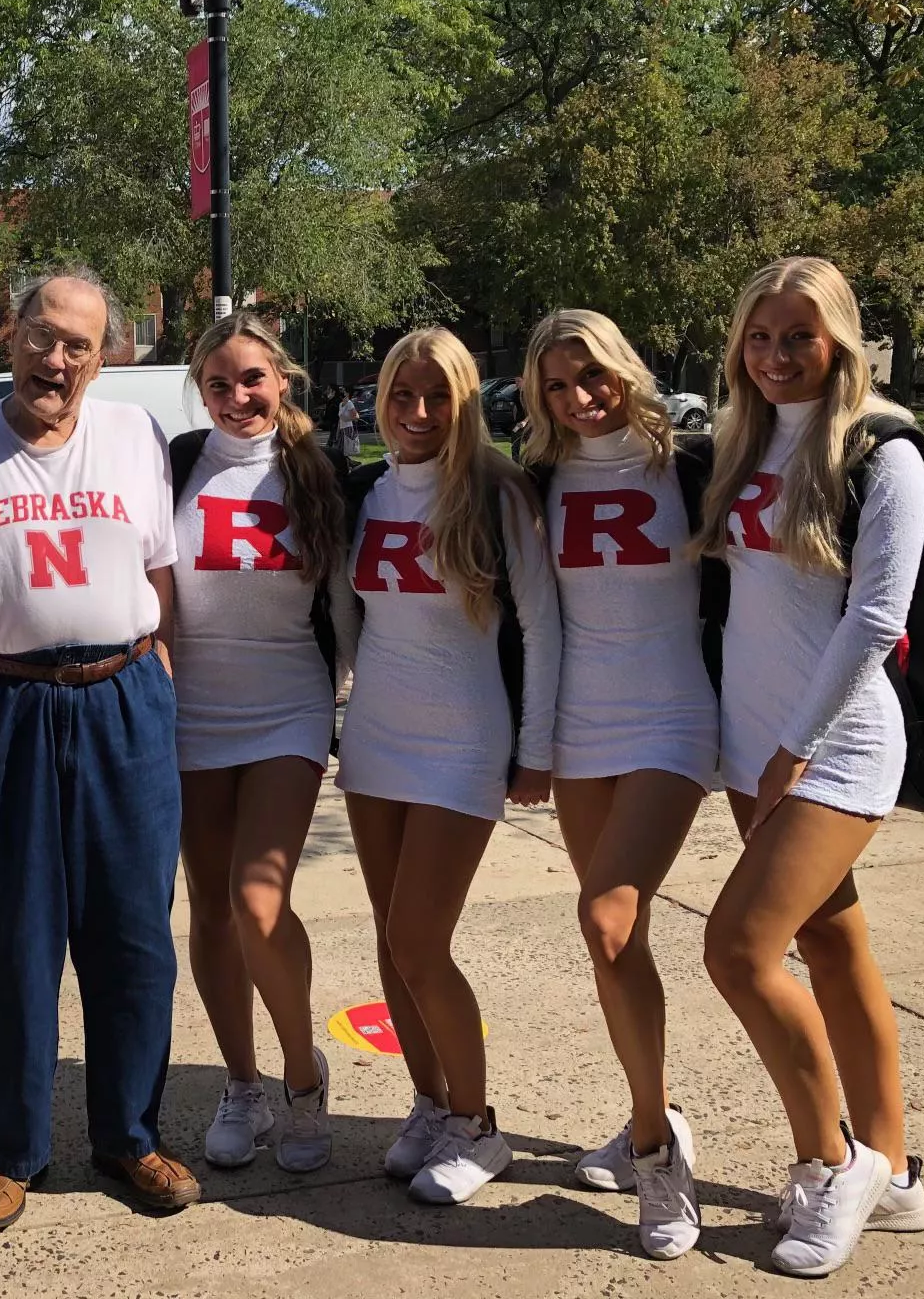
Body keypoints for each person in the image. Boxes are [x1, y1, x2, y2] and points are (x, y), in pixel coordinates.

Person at [0, 268, 198, 1234]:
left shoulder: (136, 437)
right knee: (11, 940)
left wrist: (161, 691)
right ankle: (14, 1150)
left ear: (104, 353)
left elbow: (161, 574)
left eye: (79, 343)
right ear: (11, 335)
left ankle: (128, 1135)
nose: (58, 358)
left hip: (124, 699)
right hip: (5, 707)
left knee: (134, 936)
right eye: (43, 335)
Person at [696, 257, 924, 1278]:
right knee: (835, 954)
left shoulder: (884, 450)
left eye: (799, 335)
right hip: (760, 747)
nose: (777, 355)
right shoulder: (748, 440)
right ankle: (897, 1173)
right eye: (760, 336)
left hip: (834, 750)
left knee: (739, 952)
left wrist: (793, 748)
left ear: (839, 337)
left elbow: (877, 618)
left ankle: (832, 1160)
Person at [335, 326, 559, 1206]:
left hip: (465, 740)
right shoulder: (366, 491)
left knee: (424, 941)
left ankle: (478, 1123)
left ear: (466, 403)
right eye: (402, 395)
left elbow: (540, 627)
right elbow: (348, 622)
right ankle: (429, 1105)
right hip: (376, 737)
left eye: (438, 396)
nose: (419, 412)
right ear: (380, 401)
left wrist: (534, 753)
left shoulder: (499, 496)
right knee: (393, 942)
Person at [519, 309, 717, 1259]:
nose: (578, 397)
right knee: (615, 945)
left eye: (590, 375)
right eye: (556, 385)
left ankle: (653, 1150)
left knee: (606, 917)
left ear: (623, 370)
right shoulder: (539, 478)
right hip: (579, 727)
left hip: (675, 719)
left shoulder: (690, 462)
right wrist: (533, 739)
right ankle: (655, 1105)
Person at [171, 312, 355, 1175]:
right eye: (219, 382)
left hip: (287, 704)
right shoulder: (174, 464)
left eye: (253, 379)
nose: (237, 396)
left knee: (257, 900)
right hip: (190, 711)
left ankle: (301, 1074)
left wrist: (350, 699)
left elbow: (350, 606)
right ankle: (240, 1083)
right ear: (200, 390)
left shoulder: (320, 472)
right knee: (209, 910)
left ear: (282, 381)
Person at [334, 389, 360, 459]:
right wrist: (338, 429)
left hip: (348, 428)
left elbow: (356, 416)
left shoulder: (349, 403)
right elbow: (340, 418)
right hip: (342, 428)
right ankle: (344, 462)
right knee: (340, 448)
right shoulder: (341, 404)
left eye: (346, 393)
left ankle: (348, 463)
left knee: (347, 449)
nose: (345, 395)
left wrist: (347, 419)